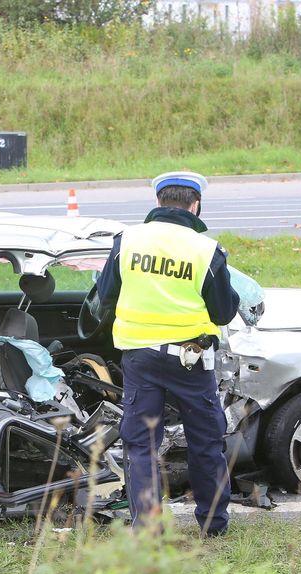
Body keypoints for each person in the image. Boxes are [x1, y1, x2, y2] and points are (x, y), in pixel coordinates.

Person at [95, 171, 240, 536]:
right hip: (190, 360)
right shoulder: (206, 251)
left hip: (140, 358)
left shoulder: (127, 241)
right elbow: (223, 312)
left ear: (158, 203)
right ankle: (213, 523)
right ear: (196, 205)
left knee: (141, 445)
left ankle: (147, 528)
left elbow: (104, 295)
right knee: (205, 442)